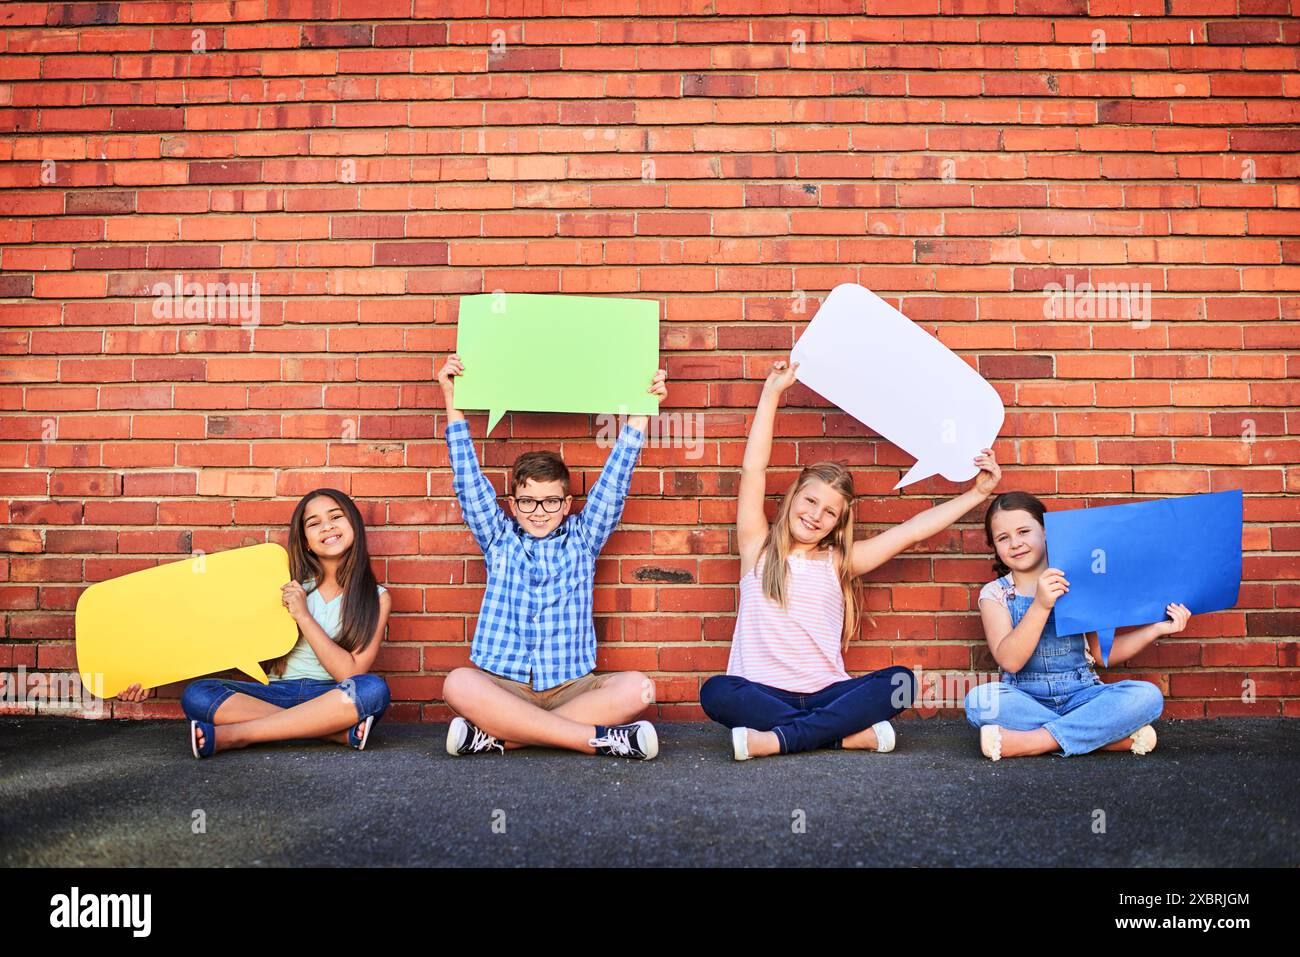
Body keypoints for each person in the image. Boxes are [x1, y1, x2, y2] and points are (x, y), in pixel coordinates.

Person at [701, 358, 1002, 760]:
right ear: (792, 499)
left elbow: (911, 530)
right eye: (810, 501)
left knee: (901, 683)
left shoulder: (839, 562)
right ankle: (840, 736)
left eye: (829, 512)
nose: (815, 515)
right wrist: (771, 393)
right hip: (761, 692)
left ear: (838, 522)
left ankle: (777, 739)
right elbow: (753, 469)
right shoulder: (758, 548)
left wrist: (977, 495)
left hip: (828, 692)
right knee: (717, 691)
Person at [437, 353, 667, 760]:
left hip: (571, 688)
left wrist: (643, 410)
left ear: (567, 503)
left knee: (638, 687)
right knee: (457, 683)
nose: (537, 512)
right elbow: (468, 479)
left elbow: (615, 482)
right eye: (527, 501)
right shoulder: (498, 537)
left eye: (549, 502)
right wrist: (451, 399)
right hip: (504, 686)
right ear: (511, 502)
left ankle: (502, 738)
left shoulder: (584, 537)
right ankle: (596, 740)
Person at [963, 491, 1187, 760]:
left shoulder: (1078, 582)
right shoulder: (995, 594)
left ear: (1045, 531)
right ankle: (1104, 737)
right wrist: (1041, 605)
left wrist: (1156, 629)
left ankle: (1033, 741)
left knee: (1147, 696)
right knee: (979, 701)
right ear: (995, 546)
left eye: (1024, 531)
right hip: (1024, 697)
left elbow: (1105, 654)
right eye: (1003, 538)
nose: (1015, 543)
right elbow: (1010, 661)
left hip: (1082, 694)